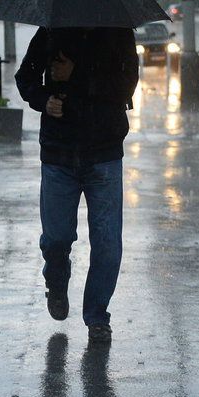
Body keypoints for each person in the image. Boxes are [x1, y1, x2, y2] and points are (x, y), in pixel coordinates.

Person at [15, 26, 139, 345]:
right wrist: (44, 100)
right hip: (59, 153)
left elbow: (126, 86)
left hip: (104, 153)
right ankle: (56, 283)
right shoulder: (53, 30)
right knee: (56, 239)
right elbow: (25, 78)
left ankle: (97, 316)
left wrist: (77, 74)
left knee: (108, 243)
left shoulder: (118, 32)